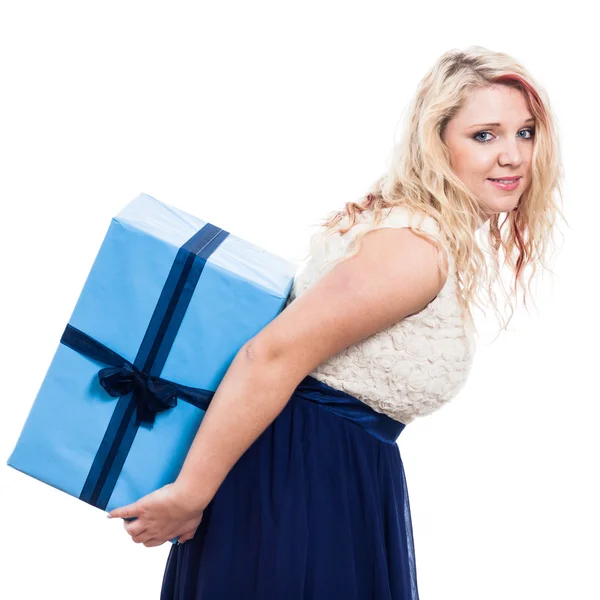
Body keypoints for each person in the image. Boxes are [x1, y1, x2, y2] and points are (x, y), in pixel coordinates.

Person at [107, 45, 564, 599]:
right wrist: (189, 495)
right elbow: (269, 354)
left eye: (526, 132)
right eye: (485, 135)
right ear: (437, 143)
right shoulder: (415, 249)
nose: (513, 155)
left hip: (325, 478)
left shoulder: (420, 231)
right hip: (303, 485)